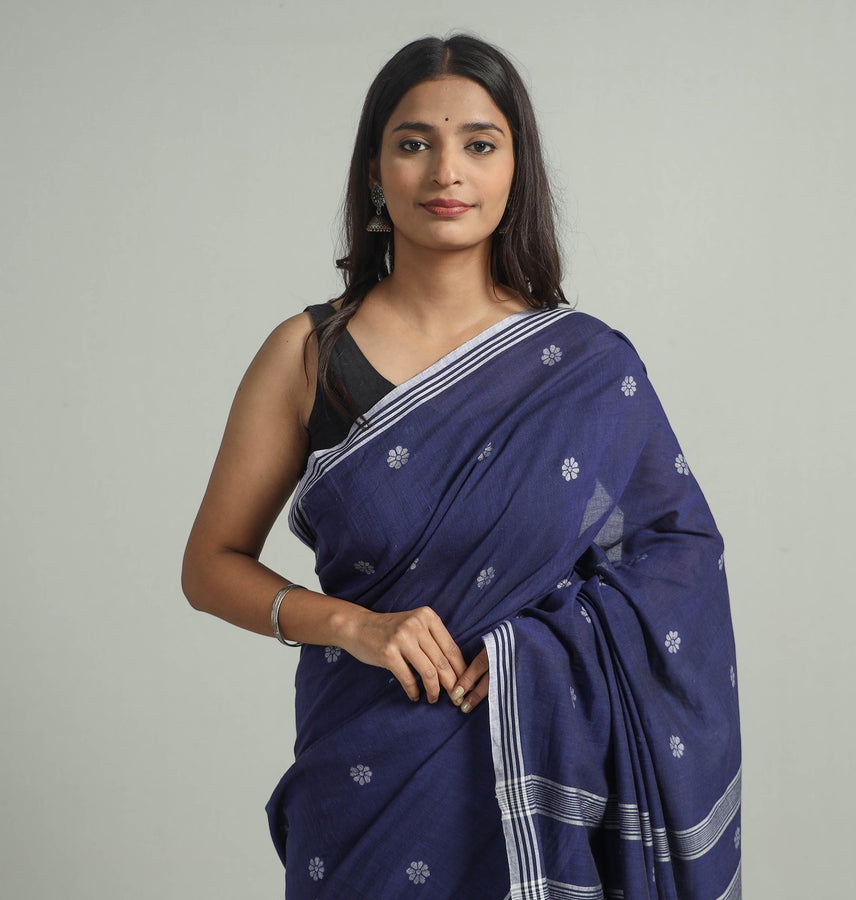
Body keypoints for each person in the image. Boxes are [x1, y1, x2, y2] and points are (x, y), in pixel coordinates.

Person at [182, 34, 741, 900]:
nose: (447, 172)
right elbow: (209, 566)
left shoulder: (586, 367)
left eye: (480, 144)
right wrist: (352, 626)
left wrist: (535, 653)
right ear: (376, 171)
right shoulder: (308, 355)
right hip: (366, 780)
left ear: (516, 170)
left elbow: (679, 556)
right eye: (415, 143)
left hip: (551, 784)